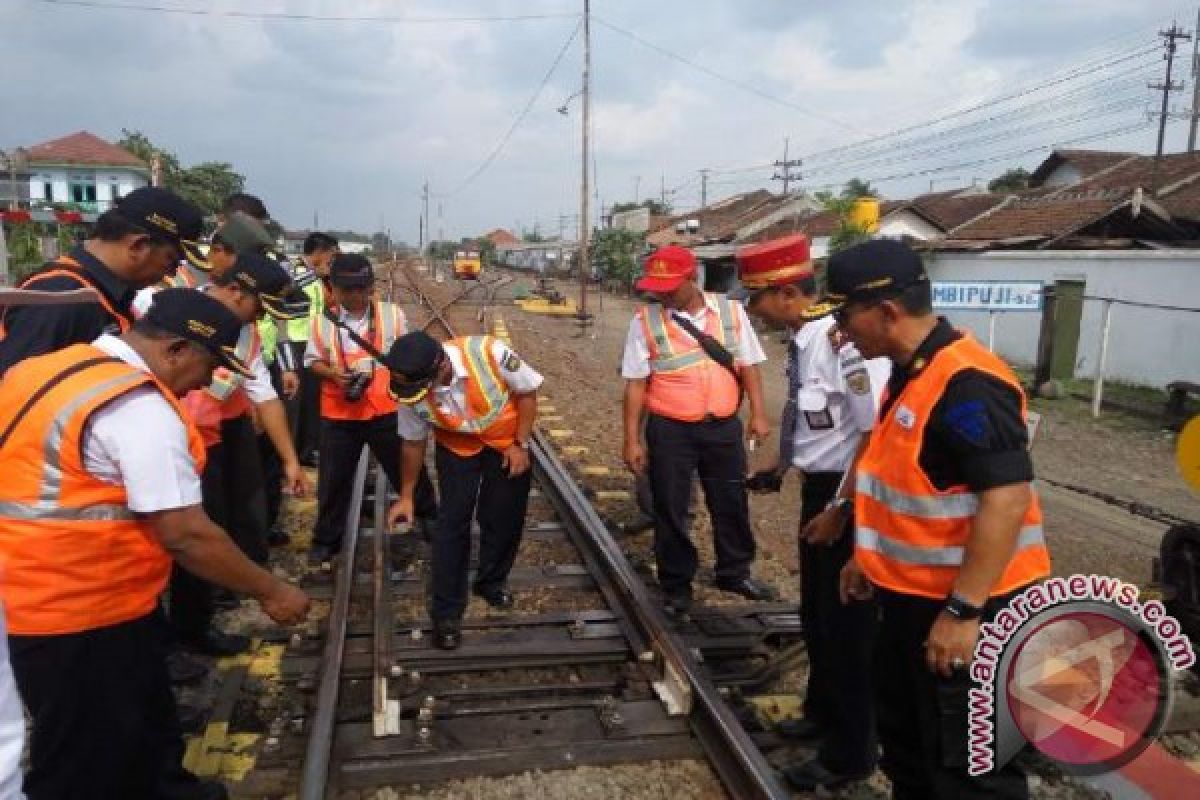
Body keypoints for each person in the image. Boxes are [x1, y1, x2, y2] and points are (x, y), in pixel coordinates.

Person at [0, 288, 310, 800]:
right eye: (209, 364)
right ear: (177, 350)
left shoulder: (49, 367)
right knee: (85, 756)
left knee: (143, 711)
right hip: (77, 606)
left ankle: (169, 789)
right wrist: (271, 591)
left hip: (73, 593)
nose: (210, 380)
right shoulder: (136, 407)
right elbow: (185, 533)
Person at [807, 239, 1051, 800]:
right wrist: (868, 560)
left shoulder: (968, 385)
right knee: (912, 750)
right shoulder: (913, 370)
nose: (840, 330)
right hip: (910, 605)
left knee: (969, 770)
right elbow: (909, 485)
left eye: (844, 315)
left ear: (886, 311)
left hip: (973, 612)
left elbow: (1006, 500)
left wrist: (964, 611)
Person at [738, 234, 888, 791]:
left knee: (848, 630)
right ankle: (823, 716)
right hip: (819, 490)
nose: (754, 313)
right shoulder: (805, 340)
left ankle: (851, 755)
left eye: (757, 301)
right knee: (818, 618)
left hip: (849, 500)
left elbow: (873, 438)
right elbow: (816, 423)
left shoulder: (844, 345)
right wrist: (780, 464)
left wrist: (841, 509)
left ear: (786, 294)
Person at [620, 244, 774, 614]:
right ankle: (676, 583)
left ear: (693, 278)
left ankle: (734, 572)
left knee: (731, 501)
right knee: (670, 507)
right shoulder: (644, 321)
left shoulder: (732, 313)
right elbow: (636, 384)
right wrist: (631, 440)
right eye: (657, 287)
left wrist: (758, 414)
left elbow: (749, 365)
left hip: (721, 427)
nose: (663, 293)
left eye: (670, 285)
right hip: (670, 428)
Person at [171, 251, 310, 657]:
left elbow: (264, 398)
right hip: (173, 442)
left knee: (216, 523)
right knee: (184, 535)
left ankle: (198, 620)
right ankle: (184, 634)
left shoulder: (243, 335)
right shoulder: (171, 311)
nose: (259, 320)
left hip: (211, 438)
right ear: (234, 289)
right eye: (257, 308)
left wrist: (290, 460)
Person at [384, 330, 543, 650]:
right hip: (457, 449)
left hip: (505, 443)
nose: (420, 394)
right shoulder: (409, 388)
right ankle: (446, 613)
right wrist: (406, 495)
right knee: (451, 525)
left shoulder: (490, 353)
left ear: (441, 366)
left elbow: (527, 393)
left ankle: (491, 583)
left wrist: (520, 445)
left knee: (503, 517)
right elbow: (413, 443)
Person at [303, 254, 435, 563]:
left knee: (407, 469)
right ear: (332, 289)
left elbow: (409, 353)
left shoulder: (393, 315)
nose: (355, 296)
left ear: (371, 287)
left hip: (385, 408)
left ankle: (429, 515)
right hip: (340, 413)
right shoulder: (321, 322)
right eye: (347, 290)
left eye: (362, 289)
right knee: (334, 481)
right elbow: (312, 362)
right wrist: (333, 373)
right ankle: (326, 539)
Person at [0, 187, 204, 376]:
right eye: (171, 261)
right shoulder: (62, 298)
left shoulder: (106, 295)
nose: (170, 273)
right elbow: (15, 390)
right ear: (139, 246)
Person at [288, 232, 339, 465]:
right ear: (319, 253)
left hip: (309, 343)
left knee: (310, 400)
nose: (332, 263)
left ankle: (307, 450)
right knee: (299, 402)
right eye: (331, 258)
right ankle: (298, 453)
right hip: (296, 343)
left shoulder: (312, 277)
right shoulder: (299, 276)